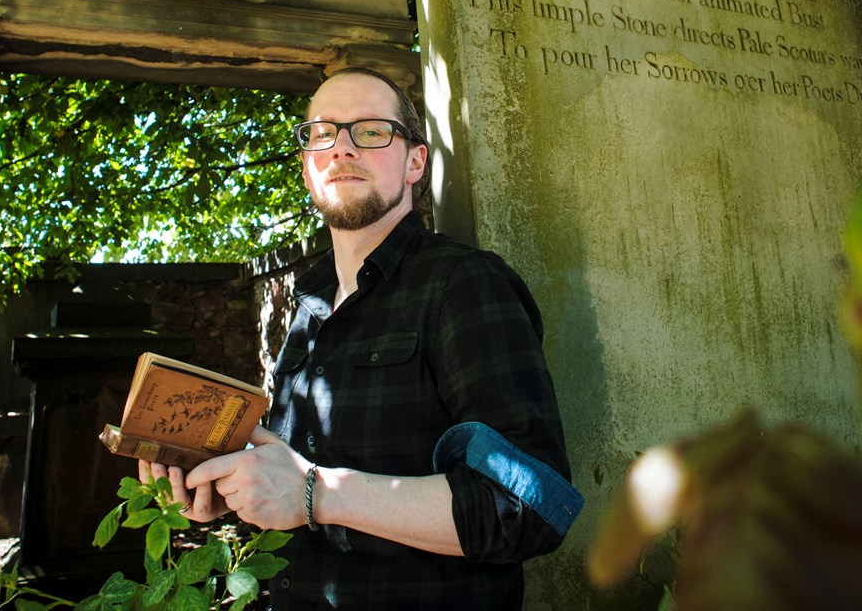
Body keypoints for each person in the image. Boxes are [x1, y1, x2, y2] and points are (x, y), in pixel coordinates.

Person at [141, 68, 581, 610]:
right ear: (306, 165)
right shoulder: (306, 308)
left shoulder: (463, 284)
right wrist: (225, 491)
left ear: (415, 161)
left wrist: (316, 494)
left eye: (371, 131)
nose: (341, 148)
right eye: (322, 133)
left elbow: (529, 507)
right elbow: (298, 483)